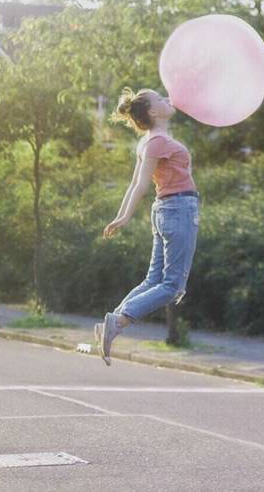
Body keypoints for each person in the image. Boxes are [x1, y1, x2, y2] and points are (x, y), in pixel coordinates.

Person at [95, 87, 200, 366]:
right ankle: (119, 320)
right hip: (178, 210)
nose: (167, 99)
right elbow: (139, 184)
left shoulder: (149, 142)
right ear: (154, 111)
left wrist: (123, 215)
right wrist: (124, 217)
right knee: (172, 286)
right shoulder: (157, 142)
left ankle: (111, 323)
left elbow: (135, 184)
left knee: (153, 281)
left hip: (165, 211)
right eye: (160, 99)